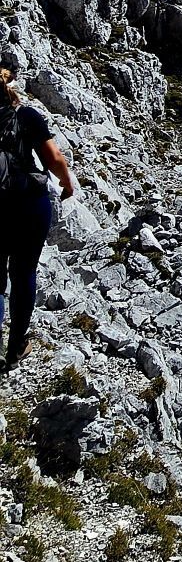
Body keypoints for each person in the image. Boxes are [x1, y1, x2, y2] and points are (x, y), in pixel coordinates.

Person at [0, 64, 74, 370]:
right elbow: (53, 158)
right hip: (28, 203)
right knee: (23, 273)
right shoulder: (26, 116)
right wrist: (67, 183)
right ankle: (16, 347)